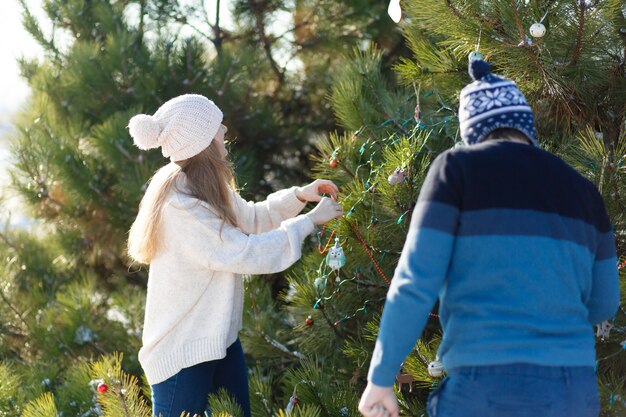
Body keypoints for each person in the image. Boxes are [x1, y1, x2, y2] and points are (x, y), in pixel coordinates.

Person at [358, 59, 620, 417]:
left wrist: (381, 377)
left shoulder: (456, 170)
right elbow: (604, 303)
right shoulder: (585, 193)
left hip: (484, 388)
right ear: (526, 128)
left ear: (473, 133)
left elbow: (415, 284)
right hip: (571, 390)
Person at [126, 94, 343, 417]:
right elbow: (243, 252)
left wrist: (299, 196)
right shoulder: (180, 205)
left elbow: (251, 220)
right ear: (201, 142)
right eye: (217, 126)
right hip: (183, 354)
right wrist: (309, 222)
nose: (224, 129)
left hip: (219, 341)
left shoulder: (203, 186)